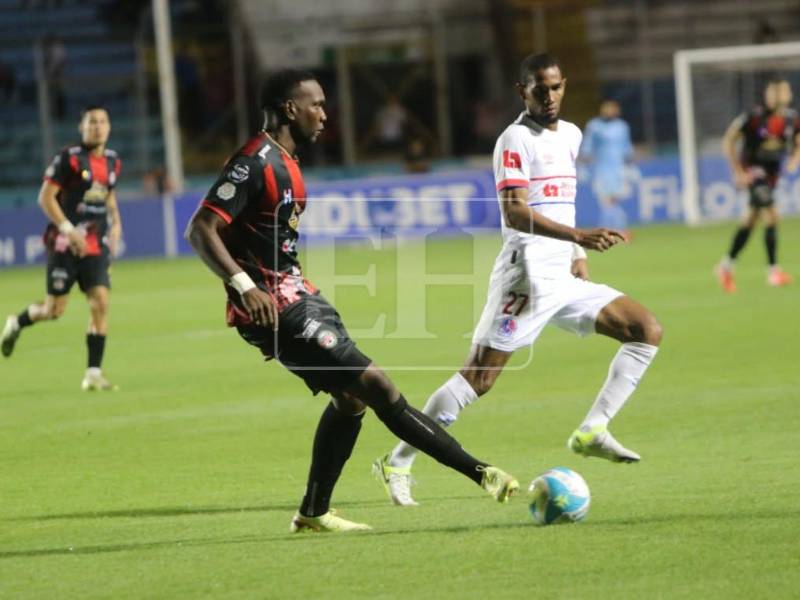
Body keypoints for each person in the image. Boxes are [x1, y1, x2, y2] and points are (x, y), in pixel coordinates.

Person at [184, 69, 519, 533]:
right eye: (316, 104)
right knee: (377, 386)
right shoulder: (253, 162)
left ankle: (314, 513)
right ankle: (481, 472)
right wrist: (245, 286)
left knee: (351, 400)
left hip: (299, 294)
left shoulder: (287, 161)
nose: (325, 114)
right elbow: (200, 229)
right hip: (273, 308)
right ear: (289, 109)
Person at [374, 53, 663, 507]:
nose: (549, 97)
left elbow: (561, 198)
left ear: (564, 85)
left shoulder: (572, 134)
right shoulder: (514, 139)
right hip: (525, 277)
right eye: (539, 89)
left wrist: (576, 253)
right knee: (478, 379)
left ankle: (593, 430)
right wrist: (578, 236)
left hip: (562, 274)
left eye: (556, 87)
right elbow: (514, 211)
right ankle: (398, 460)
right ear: (521, 91)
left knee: (644, 330)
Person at [1, 106, 123, 391]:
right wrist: (69, 231)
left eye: (102, 121)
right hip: (64, 244)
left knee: (100, 302)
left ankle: (93, 373)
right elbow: (45, 198)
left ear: (109, 127)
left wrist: (117, 225)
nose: (98, 126)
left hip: (95, 244)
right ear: (82, 127)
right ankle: (16, 323)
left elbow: (109, 197)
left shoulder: (113, 161)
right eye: (92, 122)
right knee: (53, 310)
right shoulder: (69, 158)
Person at [715, 78, 800, 292]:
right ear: (767, 95)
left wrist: (794, 159)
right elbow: (729, 140)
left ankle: (726, 266)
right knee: (772, 216)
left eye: (781, 92)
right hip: (753, 174)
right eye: (773, 92)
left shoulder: (792, 119)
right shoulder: (753, 117)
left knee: (750, 221)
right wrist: (737, 171)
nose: (777, 96)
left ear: (788, 95)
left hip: (772, 177)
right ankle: (773, 272)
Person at [580, 99, 635, 233]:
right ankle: (613, 228)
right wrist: (584, 164)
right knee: (605, 200)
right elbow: (587, 146)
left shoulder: (622, 126)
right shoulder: (594, 126)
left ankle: (614, 228)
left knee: (614, 200)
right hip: (602, 168)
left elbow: (627, 147)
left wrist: (630, 165)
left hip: (619, 169)